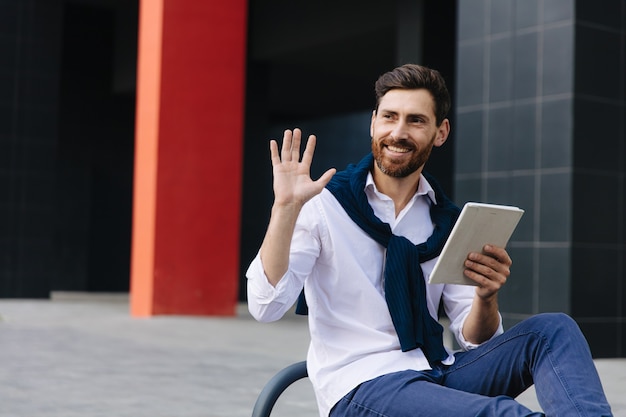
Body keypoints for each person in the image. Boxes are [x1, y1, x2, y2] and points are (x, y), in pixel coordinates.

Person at [246, 64, 612, 417]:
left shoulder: (449, 222)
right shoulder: (324, 205)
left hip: (437, 372)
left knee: (553, 329)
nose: (398, 131)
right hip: (363, 385)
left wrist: (486, 297)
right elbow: (265, 306)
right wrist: (285, 208)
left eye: (416, 120)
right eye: (389, 116)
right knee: (503, 414)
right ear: (373, 123)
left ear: (441, 132)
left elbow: (478, 342)